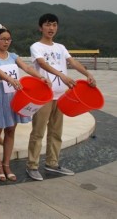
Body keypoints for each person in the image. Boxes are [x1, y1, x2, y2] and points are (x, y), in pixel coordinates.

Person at [26, 13, 96, 181]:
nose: (51, 28)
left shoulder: (60, 47)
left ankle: (52, 163)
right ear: (40, 27)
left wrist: (87, 73)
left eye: (54, 25)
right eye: (48, 24)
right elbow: (42, 63)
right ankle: (32, 165)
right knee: (38, 132)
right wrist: (62, 76)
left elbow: (72, 62)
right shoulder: (36, 46)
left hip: (60, 96)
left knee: (56, 132)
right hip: (44, 96)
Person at [0, 28, 50, 182]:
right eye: (3, 39)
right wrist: (9, 79)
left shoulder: (13, 56)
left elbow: (27, 68)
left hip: (13, 95)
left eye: (8, 39)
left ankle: (7, 164)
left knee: (11, 130)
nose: (6, 42)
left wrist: (41, 77)